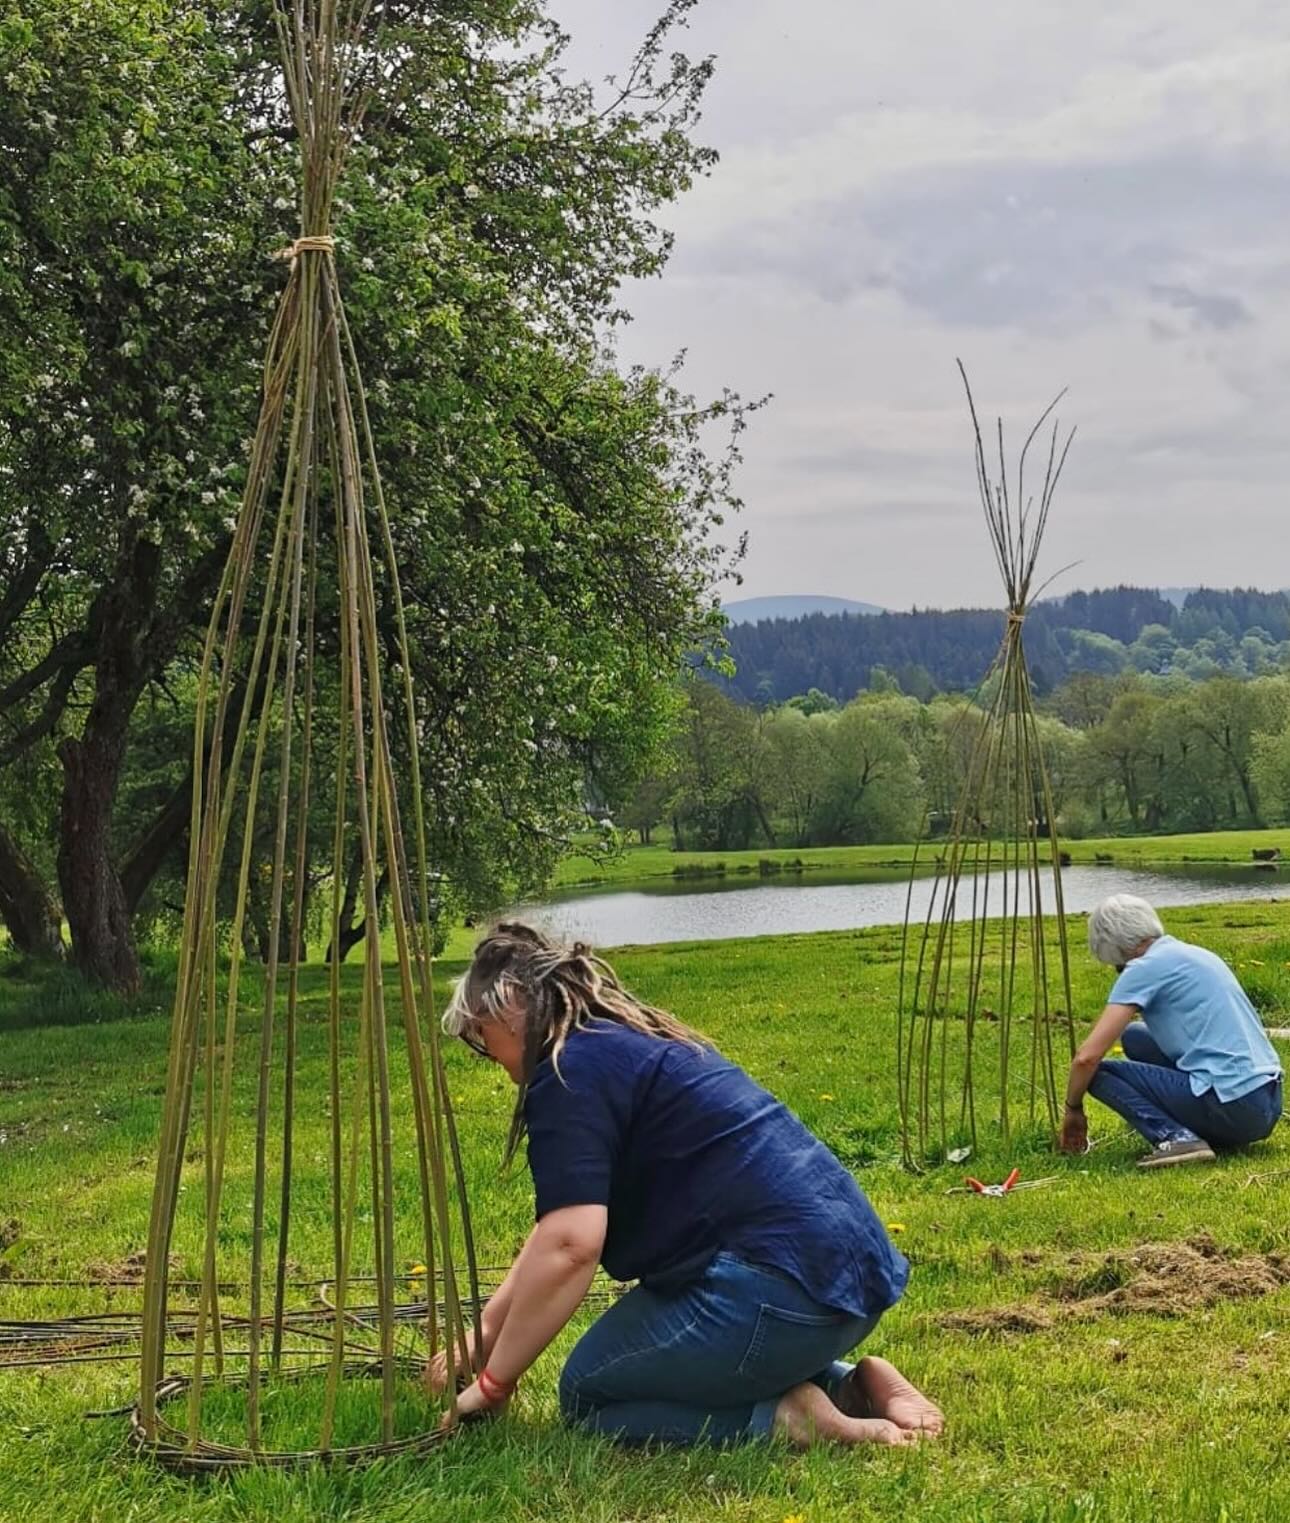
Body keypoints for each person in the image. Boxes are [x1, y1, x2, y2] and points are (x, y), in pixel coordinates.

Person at [426, 922, 941, 1448]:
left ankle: (788, 1417)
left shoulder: (565, 1072)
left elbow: (570, 1245)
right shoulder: (628, 1044)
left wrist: (493, 1385)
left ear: (506, 1007)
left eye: (478, 1036)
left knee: (589, 1394)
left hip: (778, 1294)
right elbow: (553, 1233)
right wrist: (486, 1335)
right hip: (845, 1287)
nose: (487, 1055)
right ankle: (851, 1384)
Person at [1059, 895, 1283, 1167]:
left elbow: (1086, 1058)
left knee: (1097, 1073)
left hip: (1233, 1107)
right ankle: (1186, 1121)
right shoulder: (1194, 954)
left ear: (1112, 946)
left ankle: (1176, 1138)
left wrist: (1073, 1109)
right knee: (1135, 1036)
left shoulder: (1143, 968)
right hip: (1266, 1102)